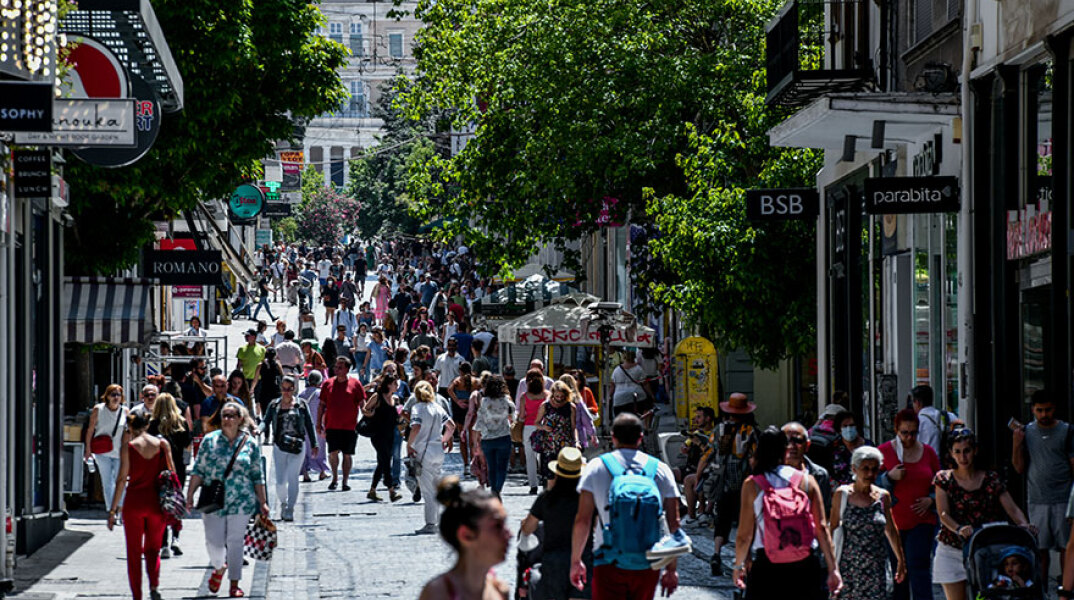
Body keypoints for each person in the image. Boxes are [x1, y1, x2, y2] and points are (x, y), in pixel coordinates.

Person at [571, 414, 683, 600]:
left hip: (607, 560)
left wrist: (576, 560)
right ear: (641, 437)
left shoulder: (596, 467)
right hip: (647, 562)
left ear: (613, 437)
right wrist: (671, 569)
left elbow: (583, 520)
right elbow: (674, 524)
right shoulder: (661, 470)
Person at [731, 426, 842, 600]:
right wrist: (833, 568)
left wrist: (739, 566)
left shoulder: (753, 484)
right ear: (785, 450)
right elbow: (821, 528)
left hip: (767, 566)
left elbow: (744, 535)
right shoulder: (806, 481)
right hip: (805, 565)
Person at [933, 429, 1034, 600]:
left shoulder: (990, 478)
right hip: (953, 547)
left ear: (975, 451)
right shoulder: (944, 479)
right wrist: (959, 529)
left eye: (967, 451)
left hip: (984, 549)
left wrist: (1024, 525)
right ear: (951, 454)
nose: (963, 457)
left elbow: (1012, 508)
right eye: (957, 452)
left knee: (988, 595)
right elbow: (943, 513)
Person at [186, 402, 268, 598]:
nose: (227, 419)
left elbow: (258, 475)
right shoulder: (209, 441)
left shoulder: (250, 443)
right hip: (214, 500)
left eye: (232, 415)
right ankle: (219, 567)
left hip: (242, 500)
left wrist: (263, 502)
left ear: (241, 419)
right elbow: (198, 470)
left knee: (236, 542)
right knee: (213, 542)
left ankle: (234, 584)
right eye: (224, 415)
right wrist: (189, 495)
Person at [107, 410, 172, 600]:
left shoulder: (128, 447)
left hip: (134, 502)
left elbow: (121, 479)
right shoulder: (162, 444)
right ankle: (154, 585)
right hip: (155, 503)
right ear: (147, 425)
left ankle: (137, 594)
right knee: (153, 549)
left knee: (133, 552)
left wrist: (112, 511)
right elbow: (171, 473)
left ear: (130, 427)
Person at [1012, 389, 1074, 582]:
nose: (1044, 415)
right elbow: (1019, 467)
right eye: (1039, 410)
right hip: (1037, 498)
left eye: (1047, 410)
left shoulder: (1066, 431)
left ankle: (1066, 587)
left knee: (1066, 547)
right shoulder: (1027, 432)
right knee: (1040, 548)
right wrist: (1016, 444)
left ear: (1054, 408)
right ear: (1033, 410)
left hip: (1063, 498)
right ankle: (1041, 588)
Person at [829, 446, 907, 600]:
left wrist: (900, 560)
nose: (870, 474)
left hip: (876, 569)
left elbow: (891, 530)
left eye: (874, 469)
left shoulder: (883, 496)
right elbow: (832, 529)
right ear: (854, 469)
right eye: (865, 468)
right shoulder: (842, 495)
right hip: (849, 569)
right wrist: (831, 567)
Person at [879, 408, 941, 600]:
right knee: (899, 568)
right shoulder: (884, 452)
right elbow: (871, 484)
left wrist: (931, 499)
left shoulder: (928, 453)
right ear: (896, 431)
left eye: (913, 432)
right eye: (904, 433)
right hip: (893, 522)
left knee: (918, 565)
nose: (909, 437)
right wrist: (889, 477)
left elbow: (941, 483)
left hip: (922, 521)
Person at [417, 477, 511, 600]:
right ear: (466, 535)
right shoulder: (438, 593)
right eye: (497, 526)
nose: (509, 534)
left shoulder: (500, 589)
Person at [521, 447, 592, 600]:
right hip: (583, 557)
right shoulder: (587, 499)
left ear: (558, 472)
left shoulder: (547, 498)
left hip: (554, 560)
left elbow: (528, 528)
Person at [260, 376, 318, 521]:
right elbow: (265, 421)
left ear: (294, 389)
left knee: (293, 478)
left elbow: (309, 425)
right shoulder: (274, 405)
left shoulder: (301, 405)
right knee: (280, 481)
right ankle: (283, 503)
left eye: (289, 389)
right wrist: (258, 430)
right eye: (284, 389)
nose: (286, 392)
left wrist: (314, 444)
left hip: (297, 446)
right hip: (280, 446)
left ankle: (290, 508)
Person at [407, 381, 456, 533]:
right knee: (435, 487)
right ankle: (440, 520)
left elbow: (416, 427)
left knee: (428, 491)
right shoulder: (438, 407)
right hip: (437, 451)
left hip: (423, 451)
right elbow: (451, 426)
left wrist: (409, 444)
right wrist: (443, 439)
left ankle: (430, 524)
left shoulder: (417, 408)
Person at [148, 393, 191, 559]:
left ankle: (163, 544)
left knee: (161, 506)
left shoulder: (152, 424)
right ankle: (176, 538)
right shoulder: (181, 423)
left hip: (158, 469)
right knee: (175, 503)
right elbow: (187, 443)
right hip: (177, 469)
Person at [317, 357, 366, 491]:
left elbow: (362, 404)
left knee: (347, 454)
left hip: (350, 426)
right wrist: (318, 424)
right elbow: (321, 405)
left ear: (347, 369)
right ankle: (334, 478)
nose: (336, 369)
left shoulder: (355, 384)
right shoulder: (327, 384)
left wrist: (368, 419)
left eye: (340, 367)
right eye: (336, 367)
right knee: (333, 453)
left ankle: (345, 481)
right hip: (331, 425)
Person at [84, 384, 128, 513]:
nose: (115, 397)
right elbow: (90, 430)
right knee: (107, 482)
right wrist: (88, 449)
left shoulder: (125, 411)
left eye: (118, 395)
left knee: (121, 482)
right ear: (107, 396)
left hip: (119, 452)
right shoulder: (99, 409)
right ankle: (111, 510)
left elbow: (128, 433)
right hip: (102, 452)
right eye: (112, 394)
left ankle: (120, 509)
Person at [470, 375, 515, 495]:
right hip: (504, 437)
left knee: (492, 467)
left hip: (487, 439)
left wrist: (475, 442)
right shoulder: (506, 400)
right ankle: (497, 490)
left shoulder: (484, 401)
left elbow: (479, 421)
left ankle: (494, 490)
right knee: (502, 467)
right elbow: (513, 415)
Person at [362, 375, 403, 502]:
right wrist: (372, 414)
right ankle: (391, 490)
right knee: (385, 459)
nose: (397, 386)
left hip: (390, 434)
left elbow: (396, 418)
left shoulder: (394, 399)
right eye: (395, 384)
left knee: (382, 462)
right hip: (377, 434)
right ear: (388, 384)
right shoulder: (377, 397)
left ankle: (372, 490)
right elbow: (365, 409)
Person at [533, 381, 580, 486]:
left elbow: (573, 427)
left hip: (565, 445)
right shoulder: (545, 406)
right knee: (551, 475)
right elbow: (536, 423)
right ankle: (551, 498)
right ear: (552, 393)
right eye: (557, 396)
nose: (559, 398)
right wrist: (543, 427)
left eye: (562, 396)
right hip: (549, 445)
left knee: (565, 475)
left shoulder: (571, 407)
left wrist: (576, 441)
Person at [517, 369, 551, 495]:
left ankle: (533, 485)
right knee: (545, 456)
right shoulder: (547, 395)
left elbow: (521, 415)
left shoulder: (524, 397)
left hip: (528, 427)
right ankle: (546, 481)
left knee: (530, 457)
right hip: (544, 427)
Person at [299, 370, 330, 482]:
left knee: (305, 450)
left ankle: (306, 473)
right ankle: (322, 471)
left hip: (304, 427)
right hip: (318, 426)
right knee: (320, 450)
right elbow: (325, 411)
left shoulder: (301, 394)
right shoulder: (320, 394)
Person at [911, 385, 959, 457]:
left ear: (917, 403)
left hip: (925, 463)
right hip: (945, 463)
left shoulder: (916, 422)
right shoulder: (948, 416)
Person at [448, 362, 477, 475]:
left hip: (461, 410)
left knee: (462, 438)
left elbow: (449, 390)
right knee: (473, 439)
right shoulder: (476, 381)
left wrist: (457, 401)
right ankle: (473, 463)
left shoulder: (457, 380)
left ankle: (466, 465)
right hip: (472, 409)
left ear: (460, 371)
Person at [831, 410, 872, 487]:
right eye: (845, 426)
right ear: (839, 429)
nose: (849, 429)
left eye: (852, 425)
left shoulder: (868, 447)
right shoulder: (833, 448)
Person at [610, 351, 652, 417]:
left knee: (621, 421)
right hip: (637, 397)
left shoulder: (617, 370)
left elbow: (612, 385)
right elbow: (645, 384)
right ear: (634, 357)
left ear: (623, 358)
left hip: (619, 398)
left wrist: (609, 396)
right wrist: (651, 395)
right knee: (636, 418)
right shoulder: (638, 369)